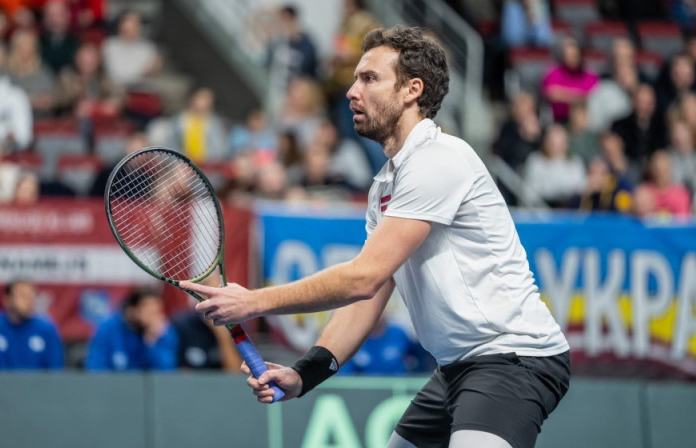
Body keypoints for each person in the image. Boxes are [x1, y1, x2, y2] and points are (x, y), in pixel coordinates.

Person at [186, 26, 570, 448]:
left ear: (412, 90)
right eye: (355, 79)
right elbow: (371, 293)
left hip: (513, 357)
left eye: (369, 78)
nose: (352, 91)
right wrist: (304, 373)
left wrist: (255, 301)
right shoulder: (386, 185)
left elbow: (361, 278)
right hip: (457, 366)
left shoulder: (439, 160)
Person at [0, 280, 63, 370]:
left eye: (31, 296)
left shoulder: (47, 329)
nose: (28, 301)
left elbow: (55, 374)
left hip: (37, 386)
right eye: (23, 296)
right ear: (6, 299)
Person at [86, 288, 178, 371]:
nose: (153, 318)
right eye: (148, 312)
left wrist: (151, 343)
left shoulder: (164, 332)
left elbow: (166, 374)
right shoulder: (107, 329)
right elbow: (96, 369)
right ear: (131, 311)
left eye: (156, 313)